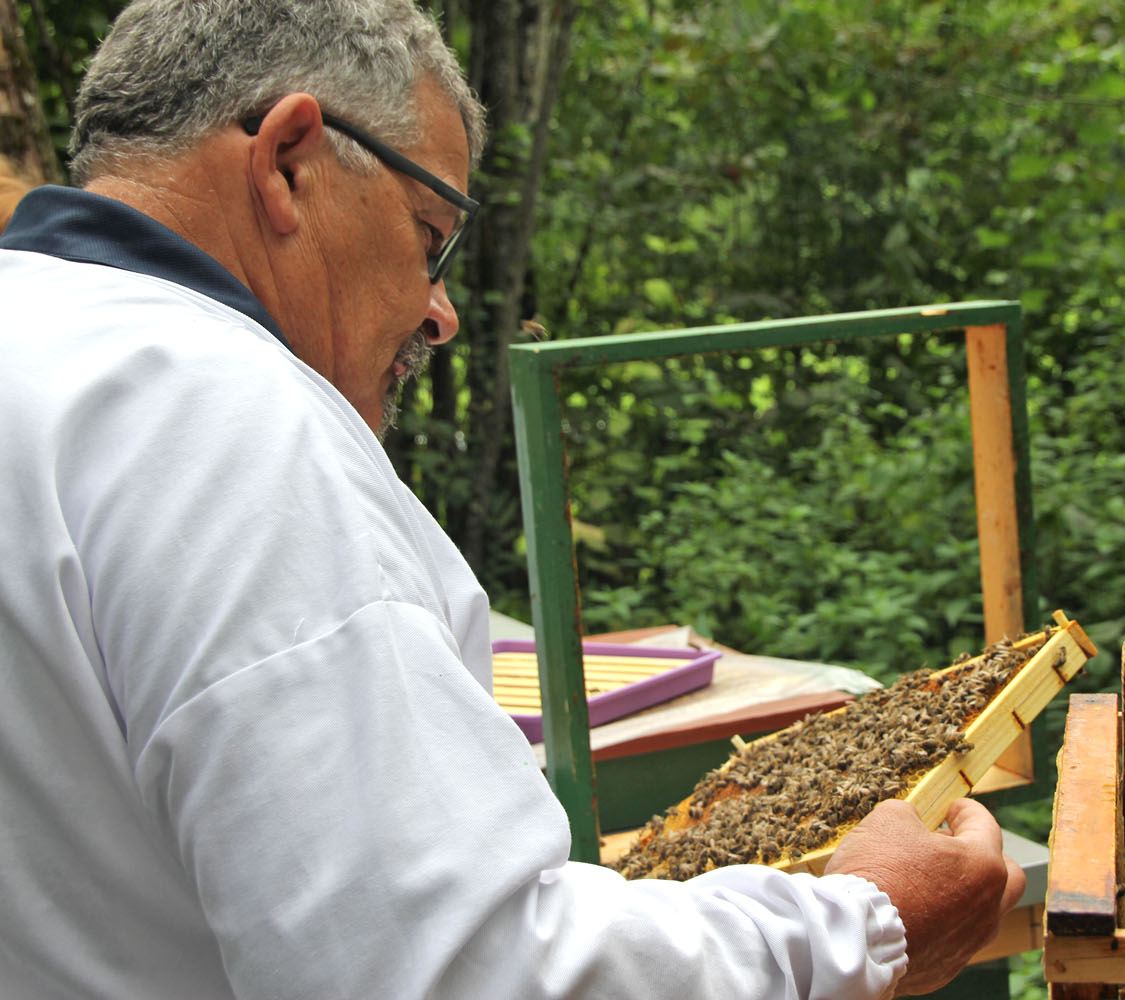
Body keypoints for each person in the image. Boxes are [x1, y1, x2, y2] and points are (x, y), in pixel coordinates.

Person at [0, 2, 1024, 997]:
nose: (438, 311)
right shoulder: (229, 417)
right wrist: (854, 932)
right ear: (289, 160)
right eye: (429, 233)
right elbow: (448, 970)